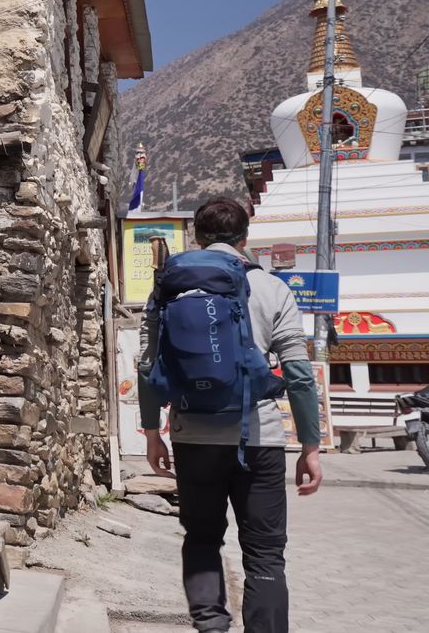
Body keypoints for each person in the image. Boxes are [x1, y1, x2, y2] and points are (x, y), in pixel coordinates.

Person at [137, 197, 322, 633]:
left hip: (192, 436)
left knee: (201, 539)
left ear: (197, 237)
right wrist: (311, 445)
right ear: (245, 237)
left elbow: (147, 365)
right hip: (258, 437)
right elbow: (297, 372)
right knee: (264, 553)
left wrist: (150, 432)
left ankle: (211, 626)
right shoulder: (273, 287)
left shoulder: (169, 287)